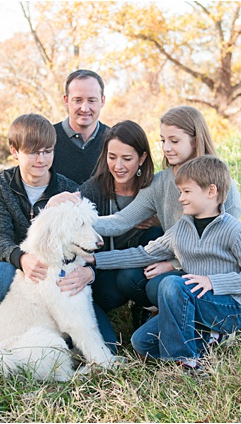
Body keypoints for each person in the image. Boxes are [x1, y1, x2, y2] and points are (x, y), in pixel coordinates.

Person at [86, 155, 241, 370]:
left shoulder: (233, 230)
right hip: (195, 303)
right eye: (180, 192)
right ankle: (207, 337)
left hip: (231, 307)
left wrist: (212, 281)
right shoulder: (182, 228)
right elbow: (144, 254)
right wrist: (96, 259)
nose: (180, 198)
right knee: (141, 342)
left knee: (171, 283)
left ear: (211, 191)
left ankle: (183, 359)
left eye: (187, 192)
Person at [54, 105, 241, 307]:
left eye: (174, 141)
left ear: (195, 140)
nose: (166, 148)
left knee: (159, 286)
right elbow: (121, 221)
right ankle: (159, 312)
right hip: (168, 258)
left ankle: (195, 318)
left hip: (211, 271)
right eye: (163, 140)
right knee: (129, 279)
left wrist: (173, 265)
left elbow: (223, 244)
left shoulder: (221, 185)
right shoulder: (160, 182)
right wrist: (72, 219)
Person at [0, 113, 116, 349]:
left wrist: (90, 272)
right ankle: (10, 345)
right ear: (15, 151)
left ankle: (61, 341)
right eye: (33, 152)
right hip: (17, 270)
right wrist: (22, 258)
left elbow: (82, 239)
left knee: (109, 344)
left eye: (48, 151)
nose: (41, 159)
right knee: (2, 274)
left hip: (61, 271)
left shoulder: (68, 188)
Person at [78, 120, 162, 334]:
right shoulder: (93, 190)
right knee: (108, 293)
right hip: (105, 268)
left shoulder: (155, 188)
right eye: (112, 157)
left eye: (127, 158)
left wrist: (158, 220)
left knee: (155, 233)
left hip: (143, 269)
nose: (118, 166)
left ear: (142, 158)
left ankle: (148, 307)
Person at [50, 69, 109, 185]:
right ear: (66, 101)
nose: (85, 108)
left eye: (92, 100)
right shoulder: (47, 139)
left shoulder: (114, 140)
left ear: (102, 101)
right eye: (78, 100)